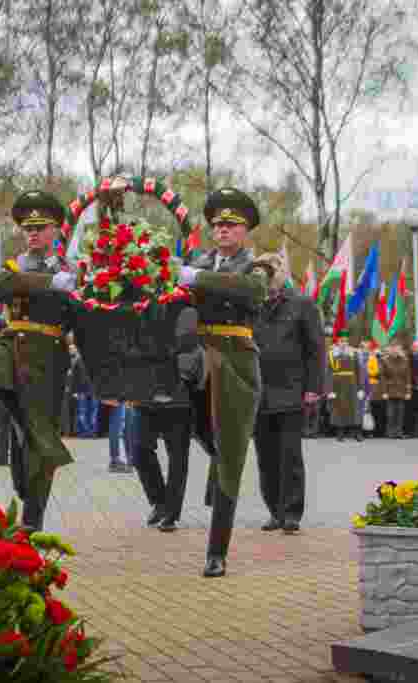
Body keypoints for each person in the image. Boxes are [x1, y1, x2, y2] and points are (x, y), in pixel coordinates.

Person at [177, 187, 270, 577]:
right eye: (217, 225)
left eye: (231, 224)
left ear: (245, 229)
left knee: (231, 455)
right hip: (201, 359)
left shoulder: (256, 266)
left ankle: (217, 550)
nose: (223, 230)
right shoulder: (199, 260)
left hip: (235, 362)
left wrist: (200, 277)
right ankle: (213, 449)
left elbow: (252, 292)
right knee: (195, 427)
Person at [0, 190, 78, 531]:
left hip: (48, 360)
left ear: (56, 231)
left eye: (40, 227)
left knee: (34, 440)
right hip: (11, 350)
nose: (32, 233)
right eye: (27, 227)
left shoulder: (72, 270)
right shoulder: (15, 267)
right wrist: (51, 283)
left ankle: (32, 517)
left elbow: (80, 316)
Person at [250, 252, 323, 534]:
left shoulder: (302, 304)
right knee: (265, 457)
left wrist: (314, 388)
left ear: (283, 272)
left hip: (292, 391)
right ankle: (275, 511)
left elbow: (316, 349)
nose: (267, 274)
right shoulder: (252, 304)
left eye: (272, 268)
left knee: (289, 455)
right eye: (260, 269)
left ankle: (291, 513)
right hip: (259, 392)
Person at [133, 307, 203, 532]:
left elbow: (193, 346)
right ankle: (159, 501)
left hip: (178, 396)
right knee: (139, 450)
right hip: (146, 393)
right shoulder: (143, 304)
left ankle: (171, 513)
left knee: (178, 458)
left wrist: (173, 376)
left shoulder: (187, 307)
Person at [326, 333, 362, 442]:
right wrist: (330, 389)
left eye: (345, 341)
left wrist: (360, 388)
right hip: (338, 384)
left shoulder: (353, 353)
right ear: (338, 342)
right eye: (341, 341)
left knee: (354, 409)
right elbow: (329, 372)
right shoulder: (332, 354)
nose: (343, 343)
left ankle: (356, 433)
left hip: (351, 383)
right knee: (339, 409)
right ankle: (340, 434)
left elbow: (358, 371)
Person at [382, 342, 412, 439]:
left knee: (400, 413)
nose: (395, 350)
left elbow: (408, 377)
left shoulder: (405, 360)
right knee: (390, 413)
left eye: (397, 349)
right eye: (393, 348)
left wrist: (408, 392)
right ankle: (390, 432)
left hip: (401, 389)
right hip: (390, 389)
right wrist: (384, 391)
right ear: (390, 350)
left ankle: (398, 432)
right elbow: (383, 377)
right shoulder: (385, 360)